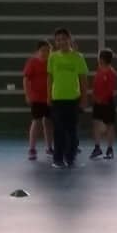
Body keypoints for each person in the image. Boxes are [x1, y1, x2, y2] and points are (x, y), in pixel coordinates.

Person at [46, 28, 88, 168]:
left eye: (64, 39)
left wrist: (84, 98)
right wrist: (48, 96)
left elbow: (83, 79)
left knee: (72, 130)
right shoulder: (53, 57)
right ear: (55, 42)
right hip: (57, 99)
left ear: (69, 39)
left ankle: (70, 156)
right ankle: (58, 158)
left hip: (73, 99)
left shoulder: (78, 57)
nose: (61, 42)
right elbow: (49, 78)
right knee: (58, 130)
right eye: (58, 40)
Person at [22, 40, 52, 161]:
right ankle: (32, 149)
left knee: (48, 123)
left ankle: (49, 147)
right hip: (37, 98)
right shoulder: (32, 62)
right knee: (36, 122)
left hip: (50, 98)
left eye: (48, 51)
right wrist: (27, 95)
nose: (45, 53)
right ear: (37, 51)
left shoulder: (51, 62)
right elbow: (25, 79)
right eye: (43, 50)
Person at [89, 47, 117, 160]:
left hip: (107, 103)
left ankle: (110, 149)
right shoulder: (99, 70)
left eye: (99, 57)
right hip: (97, 103)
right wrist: (94, 97)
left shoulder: (111, 73)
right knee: (96, 123)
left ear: (103, 58)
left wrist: (101, 99)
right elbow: (96, 85)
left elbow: (111, 89)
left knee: (109, 125)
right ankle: (97, 148)